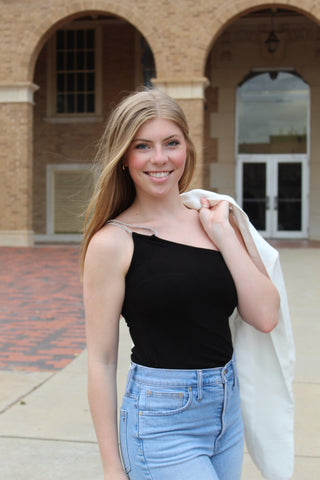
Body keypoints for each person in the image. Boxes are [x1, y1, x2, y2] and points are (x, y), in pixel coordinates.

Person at [81, 88, 280, 480]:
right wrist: (111, 467)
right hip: (161, 420)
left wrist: (222, 234)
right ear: (124, 157)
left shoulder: (218, 219)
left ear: (187, 148)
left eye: (171, 143)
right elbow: (101, 361)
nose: (159, 158)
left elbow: (266, 315)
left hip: (226, 412)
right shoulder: (113, 243)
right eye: (143, 146)